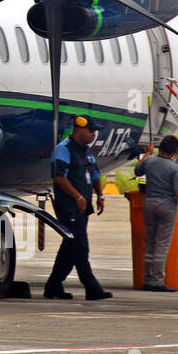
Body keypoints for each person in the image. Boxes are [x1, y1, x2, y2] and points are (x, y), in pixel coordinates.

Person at [44, 115, 112, 301]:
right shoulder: (63, 150)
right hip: (69, 206)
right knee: (80, 246)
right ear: (80, 130)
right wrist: (78, 197)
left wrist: (100, 196)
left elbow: (96, 174)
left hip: (83, 207)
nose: (93, 134)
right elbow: (59, 178)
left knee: (69, 246)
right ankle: (91, 287)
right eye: (91, 131)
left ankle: (53, 286)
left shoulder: (87, 151)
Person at [135, 135, 178, 291]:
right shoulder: (175, 168)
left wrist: (148, 153)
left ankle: (147, 278)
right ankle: (157, 280)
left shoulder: (150, 161)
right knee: (161, 244)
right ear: (175, 151)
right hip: (166, 206)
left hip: (149, 204)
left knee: (150, 241)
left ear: (160, 147)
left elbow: (137, 170)